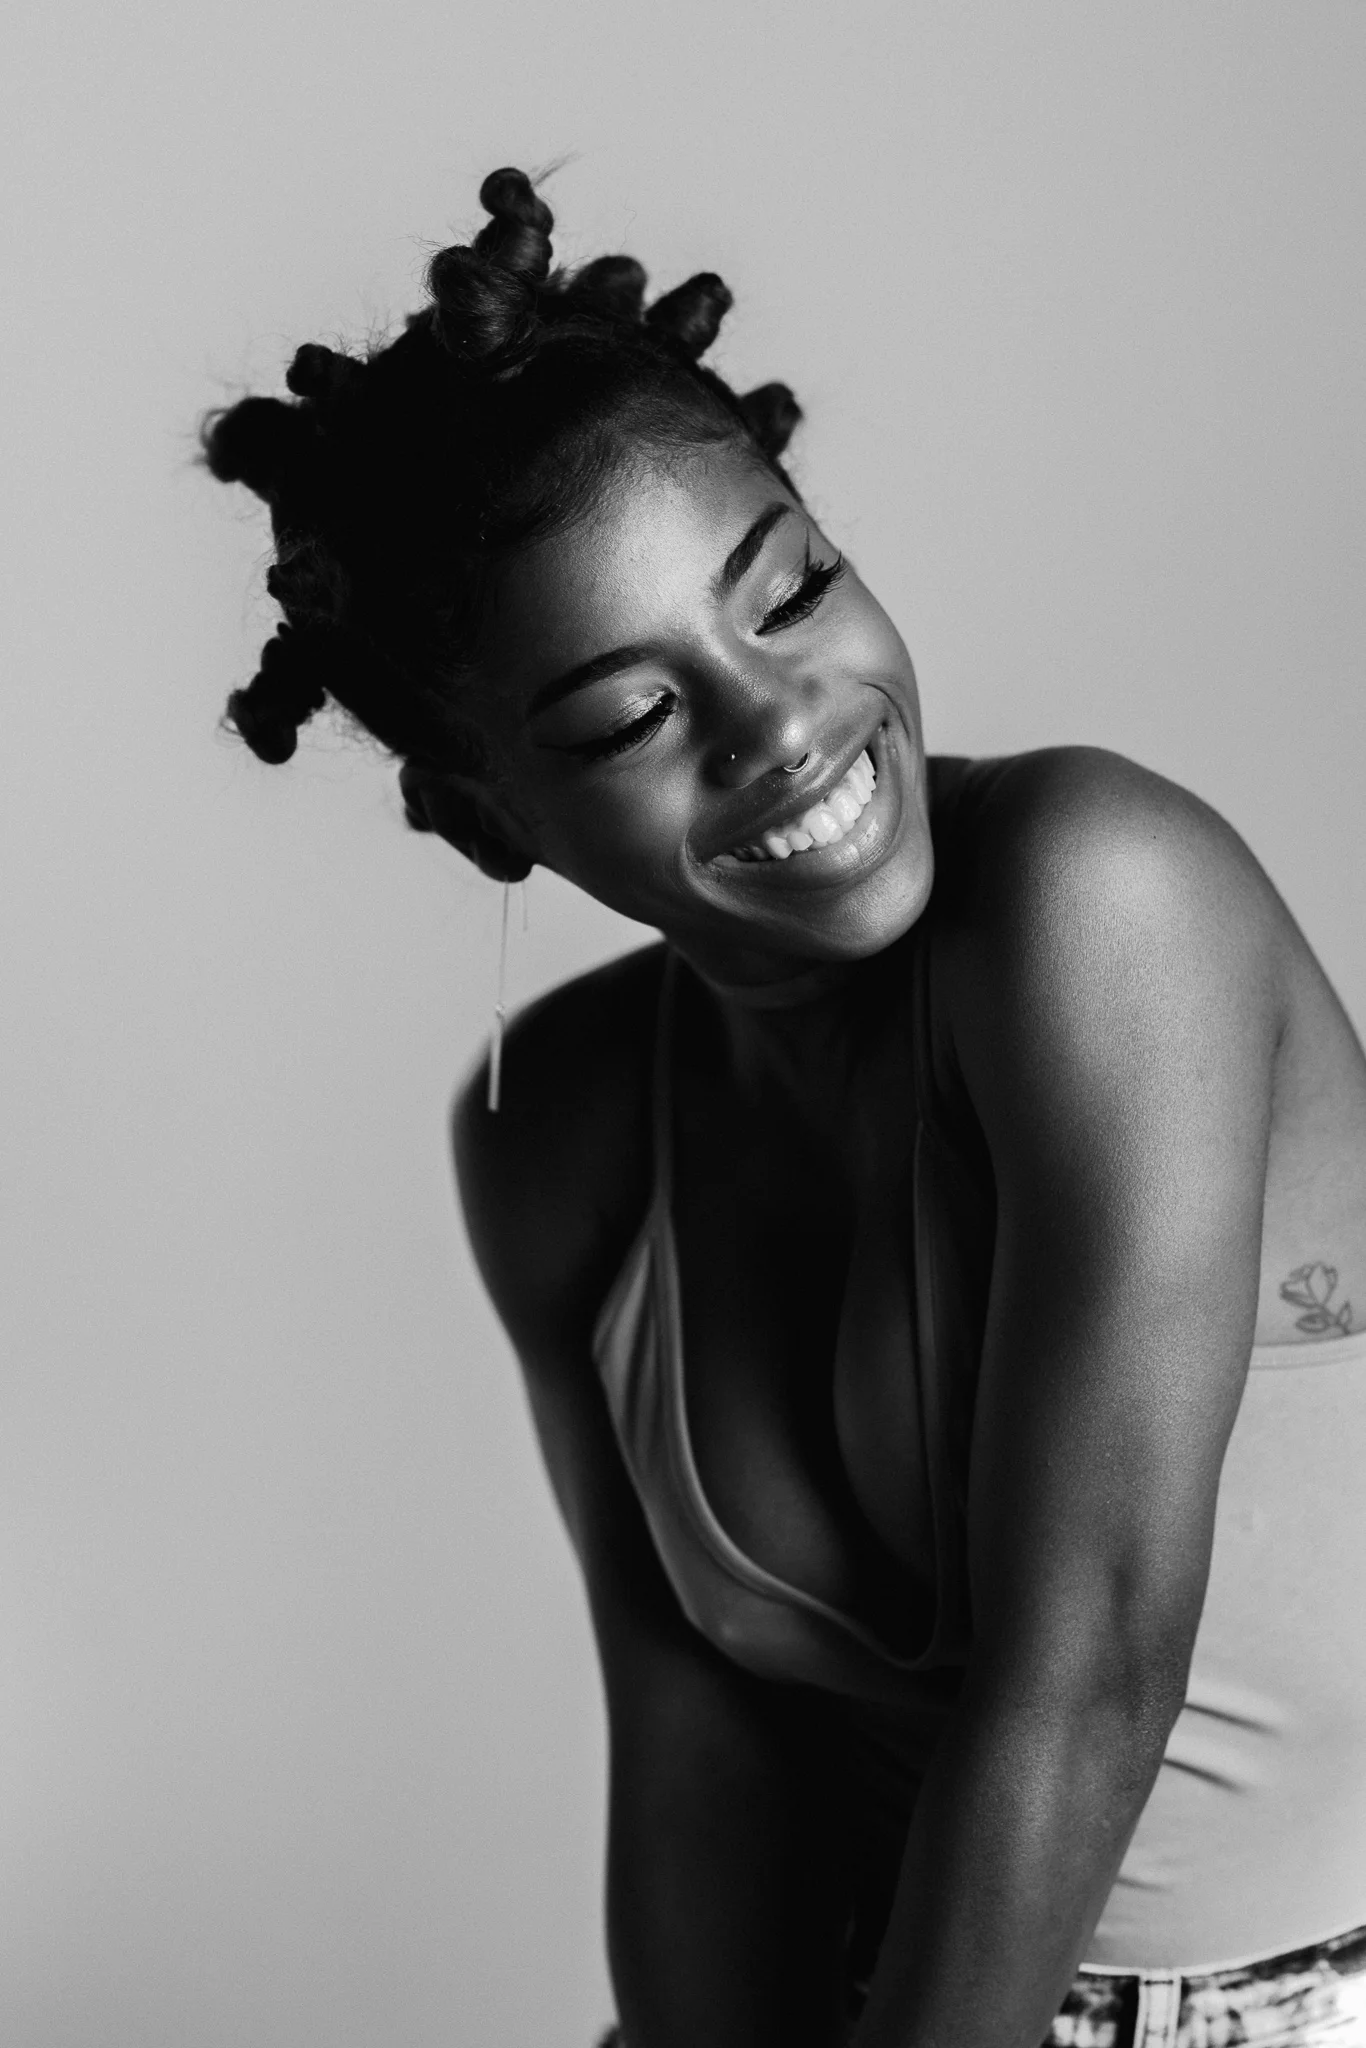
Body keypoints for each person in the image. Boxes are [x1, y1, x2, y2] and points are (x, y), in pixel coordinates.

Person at [201, 167, 1366, 2048]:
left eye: (792, 590)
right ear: (489, 812)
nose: (779, 725)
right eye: (625, 719)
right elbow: (697, 1742)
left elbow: (1086, 1680)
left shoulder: (1099, 895)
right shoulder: (552, 1131)